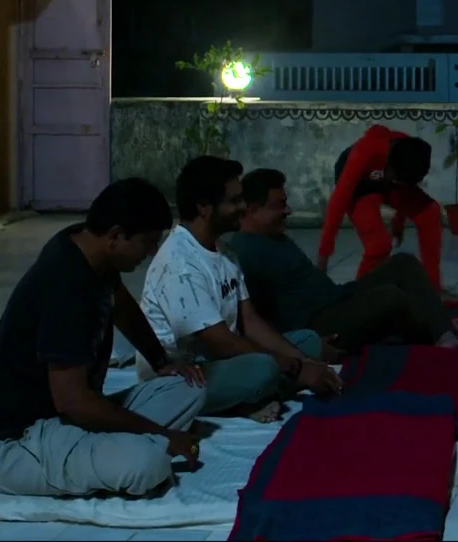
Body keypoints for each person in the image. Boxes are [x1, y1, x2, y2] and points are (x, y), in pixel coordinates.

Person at [0, 178, 209, 498]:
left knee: (189, 386)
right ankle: (124, 447)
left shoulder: (86, 245)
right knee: (148, 464)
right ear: (115, 235)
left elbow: (120, 304)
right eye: (148, 243)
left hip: (67, 419)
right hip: (19, 441)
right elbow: (73, 401)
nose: (152, 253)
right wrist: (163, 434)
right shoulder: (67, 287)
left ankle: (112, 444)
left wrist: (161, 361)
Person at [140, 156, 341, 420]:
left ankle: (256, 393)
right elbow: (222, 342)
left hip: (224, 359)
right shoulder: (180, 265)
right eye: (234, 201)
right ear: (204, 207)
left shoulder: (224, 250)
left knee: (307, 341)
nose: (243, 207)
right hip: (183, 374)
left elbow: (250, 320)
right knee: (264, 368)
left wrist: (302, 362)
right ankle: (248, 398)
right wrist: (295, 368)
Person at [228, 167, 458, 353]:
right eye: (280, 205)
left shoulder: (273, 236)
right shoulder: (245, 252)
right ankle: (434, 333)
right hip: (318, 324)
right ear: (252, 210)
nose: (288, 211)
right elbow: (256, 319)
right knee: (389, 297)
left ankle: (441, 330)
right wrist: (306, 346)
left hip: (336, 298)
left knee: (403, 264)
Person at [317, 125, 447, 292]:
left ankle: (433, 289)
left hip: (386, 184)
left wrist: (398, 223)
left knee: (430, 212)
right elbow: (338, 201)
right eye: (396, 179)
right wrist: (324, 256)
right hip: (360, 188)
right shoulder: (365, 152)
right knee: (379, 245)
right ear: (390, 165)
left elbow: (406, 193)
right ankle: (359, 294)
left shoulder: (410, 151)